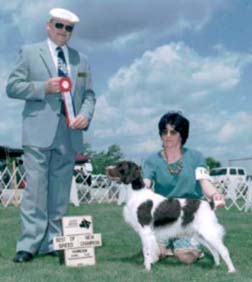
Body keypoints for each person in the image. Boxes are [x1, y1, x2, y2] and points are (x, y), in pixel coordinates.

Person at [6, 8, 96, 263]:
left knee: (59, 192)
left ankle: (55, 242)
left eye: (69, 28)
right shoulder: (29, 52)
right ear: (48, 26)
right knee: (35, 191)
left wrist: (86, 116)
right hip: (37, 132)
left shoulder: (81, 60)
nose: (64, 32)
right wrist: (42, 87)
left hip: (69, 134)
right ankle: (28, 244)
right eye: (59, 26)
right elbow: (12, 87)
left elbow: (89, 95)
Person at [143, 112, 225, 264]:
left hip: (189, 214)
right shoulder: (152, 160)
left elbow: (204, 181)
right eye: (164, 132)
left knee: (186, 257)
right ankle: (166, 246)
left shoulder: (196, 157)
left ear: (182, 135)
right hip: (164, 215)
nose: (167, 136)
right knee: (154, 255)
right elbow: (145, 183)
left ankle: (186, 248)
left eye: (173, 132)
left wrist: (215, 195)